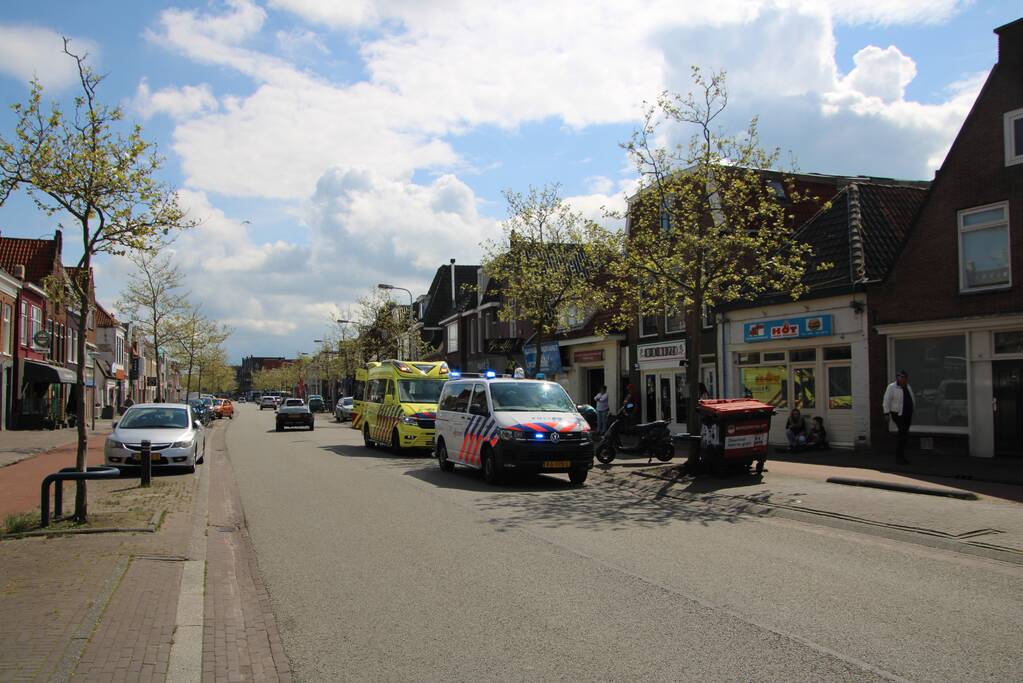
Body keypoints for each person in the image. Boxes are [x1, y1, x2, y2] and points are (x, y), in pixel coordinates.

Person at [883, 369, 915, 464]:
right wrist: (886, 413)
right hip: (897, 414)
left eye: (904, 377)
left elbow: (911, 398)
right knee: (902, 433)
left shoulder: (907, 386)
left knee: (904, 435)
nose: (903, 379)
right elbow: (886, 400)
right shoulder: (892, 387)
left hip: (907, 414)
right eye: (901, 377)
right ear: (897, 377)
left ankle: (901, 456)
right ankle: (899, 457)